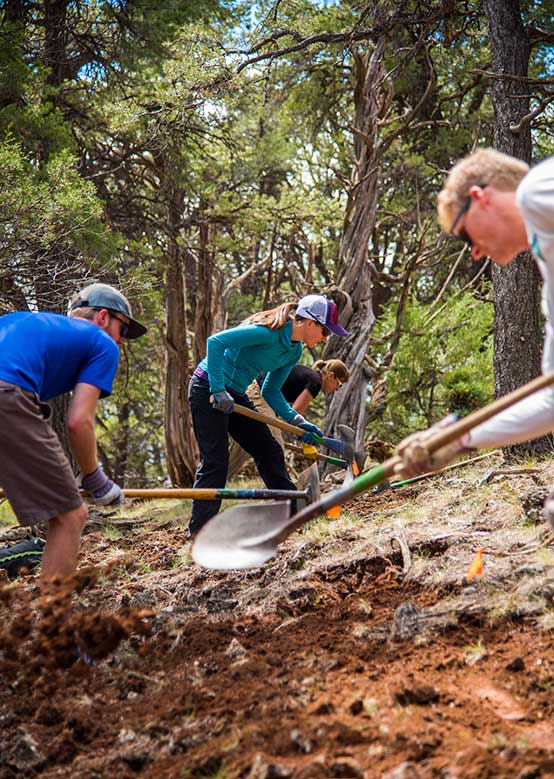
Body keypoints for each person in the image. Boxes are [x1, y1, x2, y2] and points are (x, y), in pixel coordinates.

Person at [394, 149, 554, 528]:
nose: (475, 252)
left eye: (466, 235)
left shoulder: (536, 192)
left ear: (481, 198)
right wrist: (460, 437)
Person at [0, 283, 147, 582]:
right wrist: (96, 479)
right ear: (103, 317)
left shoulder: (19, 321)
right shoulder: (101, 342)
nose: (121, 342)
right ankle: (53, 624)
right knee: (71, 516)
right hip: (7, 396)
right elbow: (79, 422)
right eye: (123, 331)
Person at [188, 294, 349, 536]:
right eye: (325, 332)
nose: (325, 339)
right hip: (207, 387)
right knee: (215, 462)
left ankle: (295, 515)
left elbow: (271, 391)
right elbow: (216, 342)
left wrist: (299, 422)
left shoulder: (293, 351)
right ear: (310, 322)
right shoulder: (267, 332)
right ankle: (199, 533)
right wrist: (218, 388)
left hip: (236, 394)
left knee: (269, 450)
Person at [227, 359, 351, 479]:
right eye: (339, 385)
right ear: (330, 376)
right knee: (275, 447)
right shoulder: (316, 382)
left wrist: (303, 437)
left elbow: (290, 412)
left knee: (247, 447)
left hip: (256, 392)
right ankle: (284, 494)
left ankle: (213, 483)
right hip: (259, 394)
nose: (336, 390)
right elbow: (296, 412)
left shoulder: (310, 376)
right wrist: (304, 437)